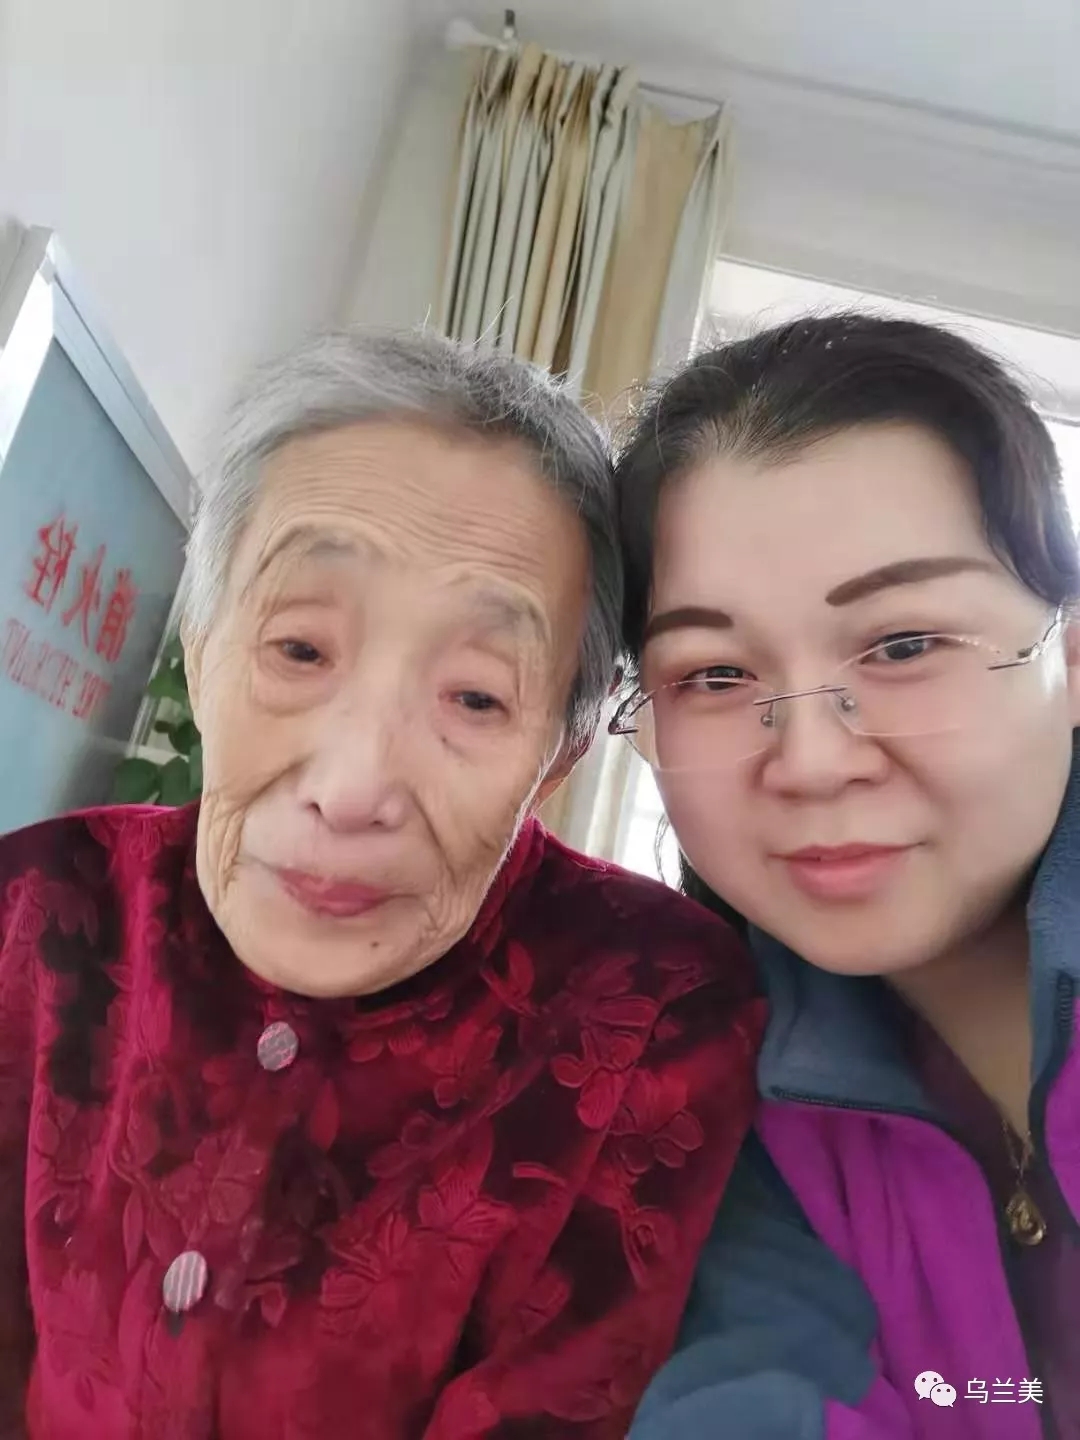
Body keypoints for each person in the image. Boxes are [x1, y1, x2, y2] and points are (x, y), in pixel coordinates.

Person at [0, 330, 762, 1439]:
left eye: (477, 698)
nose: (352, 790)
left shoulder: (655, 1015)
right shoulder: (42, 904)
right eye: (300, 651)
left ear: (560, 752)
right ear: (201, 648)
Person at [610, 315, 1080, 1439]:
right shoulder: (712, 1087)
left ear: (1070, 663)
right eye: (714, 674)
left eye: (904, 646)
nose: (813, 762)